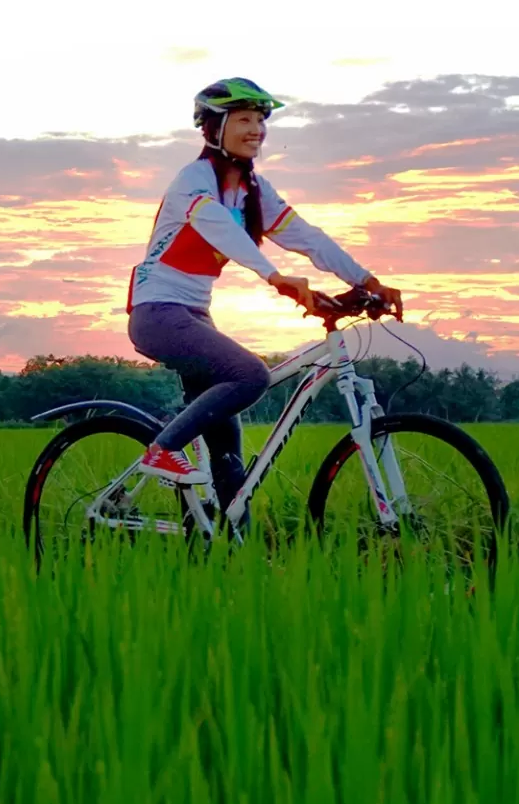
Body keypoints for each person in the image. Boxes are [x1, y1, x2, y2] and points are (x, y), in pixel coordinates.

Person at [126, 77, 403, 505]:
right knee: (250, 375)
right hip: (158, 313)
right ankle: (162, 449)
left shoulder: (253, 191)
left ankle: (226, 544)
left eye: (260, 120)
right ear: (214, 127)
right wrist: (274, 277)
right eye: (243, 119)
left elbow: (306, 236)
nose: (256, 129)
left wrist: (365, 280)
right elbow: (219, 229)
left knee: (228, 452)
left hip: (195, 315)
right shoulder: (194, 180)